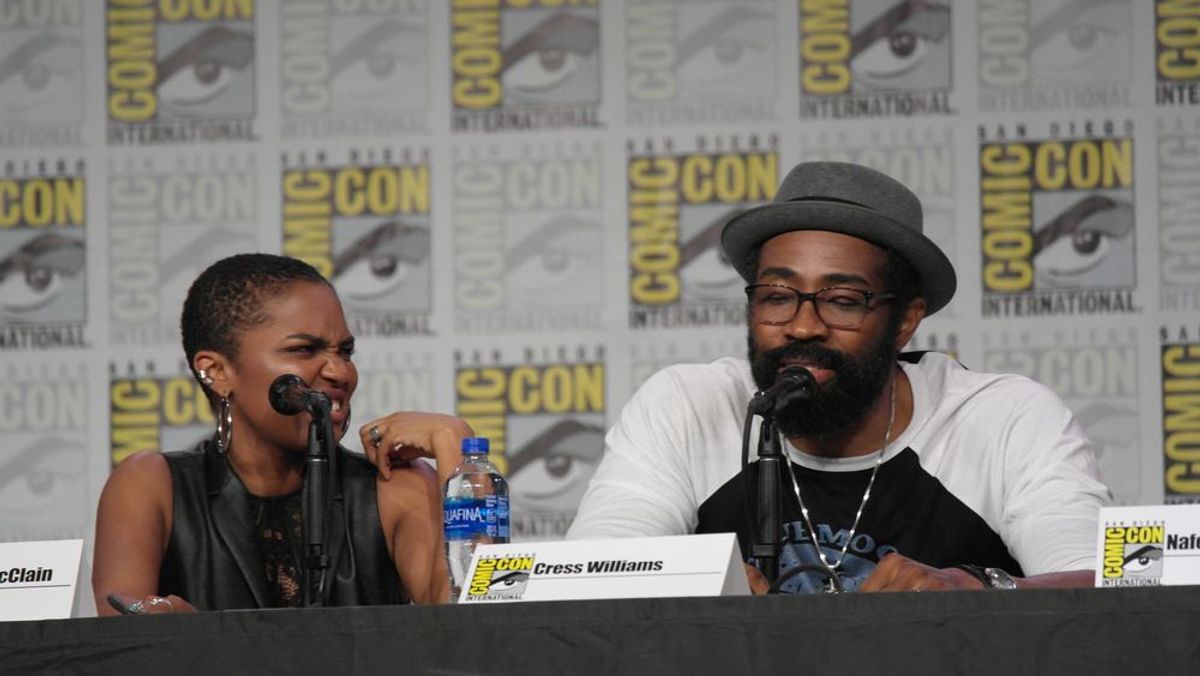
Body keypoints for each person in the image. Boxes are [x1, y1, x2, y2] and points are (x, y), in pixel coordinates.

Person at [567, 162, 1112, 594]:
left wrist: (976, 587)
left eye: (843, 301)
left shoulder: (1003, 418)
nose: (803, 326)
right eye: (777, 296)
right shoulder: (688, 404)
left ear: (905, 322)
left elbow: (1111, 589)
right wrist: (689, 590)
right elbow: (587, 579)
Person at [94, 253, 471, 614]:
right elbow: (123, 641)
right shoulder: (151, 485)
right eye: (304, 350)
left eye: (345, 351)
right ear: (218, 372)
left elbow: (474, 629)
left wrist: (458, 450)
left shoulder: (395, 486)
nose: (340, 372)